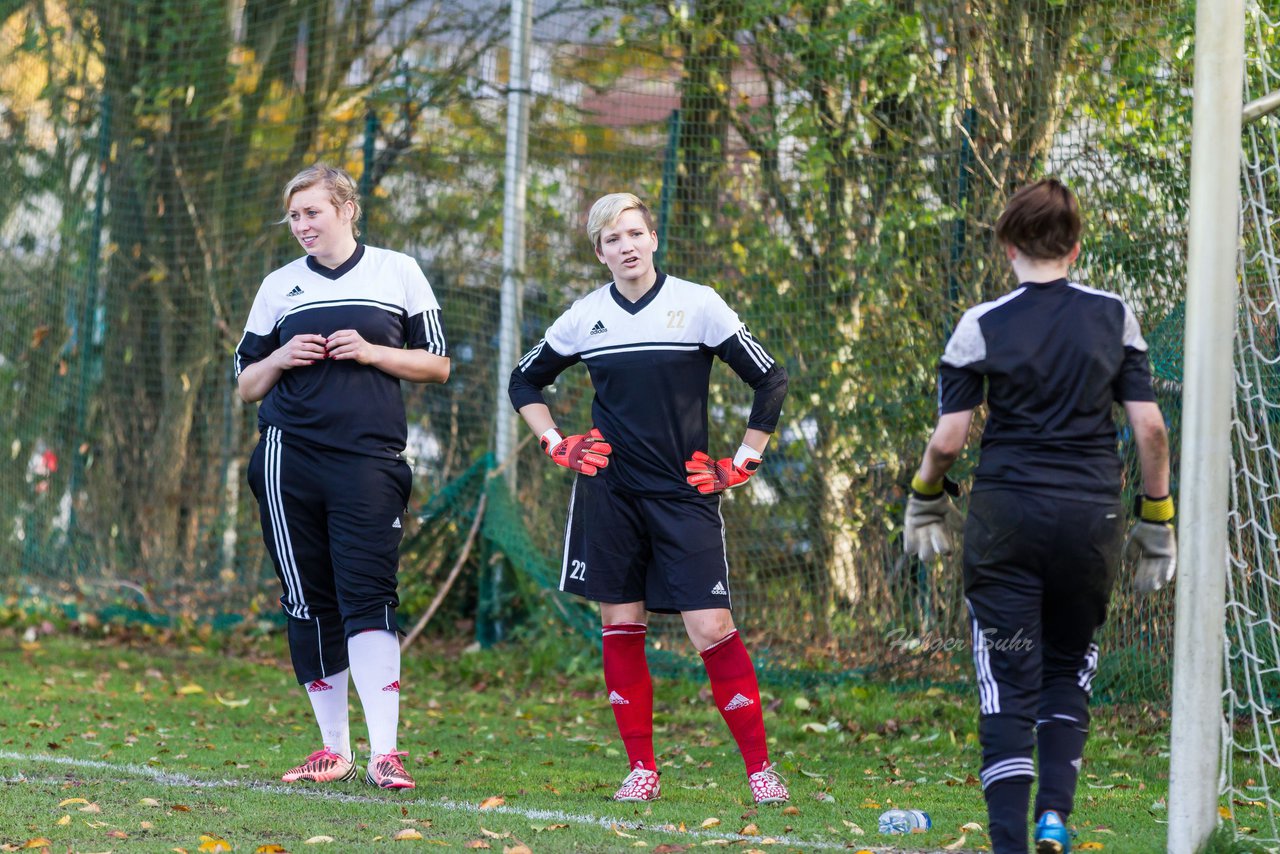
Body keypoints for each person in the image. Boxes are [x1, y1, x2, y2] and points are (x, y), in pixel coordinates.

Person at [904, 178, 1176, 854]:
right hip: (1089, 525)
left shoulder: (982, 323)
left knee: (1008, 680)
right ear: (1076, 248)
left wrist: (926, 493)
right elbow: (1150, 431)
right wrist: (1156, 519)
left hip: (1007, 524)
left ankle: (1010, 846)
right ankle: (1054, 815)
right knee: (1067, 666)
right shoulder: (1114, 315)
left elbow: (948, 440)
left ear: (1008, 246)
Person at [508, 192, 791, 805]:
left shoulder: (698, 304)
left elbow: (770, 377)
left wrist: (743, 461)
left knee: (712, 625)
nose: (627, 246)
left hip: (683, 493)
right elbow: (524, 379)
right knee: (621, 622)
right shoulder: (585, 316)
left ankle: (761, 771)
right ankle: (641, 770)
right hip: (610, 493)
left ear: (653, 239)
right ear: (600, 251)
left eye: (635, 233)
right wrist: (556, 443)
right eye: (613, 239)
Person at [234, 164, 450, 790]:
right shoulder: (278, 286)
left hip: (369, 463)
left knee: (370, 597)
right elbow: (246, 384)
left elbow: (436, 365)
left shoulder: (398, 271)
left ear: (346, 210)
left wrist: (372, 351)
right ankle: (333, 749)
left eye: (313, 213)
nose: (302, 226)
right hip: (286, 460)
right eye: (295, 216)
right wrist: (278, 356)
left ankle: (386, 753)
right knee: (308, 600)